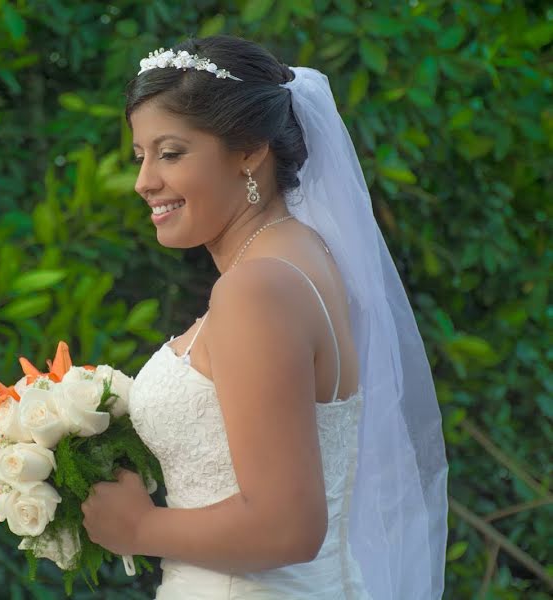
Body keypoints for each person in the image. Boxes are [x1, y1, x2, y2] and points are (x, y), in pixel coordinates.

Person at [79, 35, 448, 599]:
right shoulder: (301, 256)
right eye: (141, 155)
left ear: (250, 150)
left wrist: (138, 527)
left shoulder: (256, 289)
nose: (143, 180)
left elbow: (287, 527)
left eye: (171, 153)